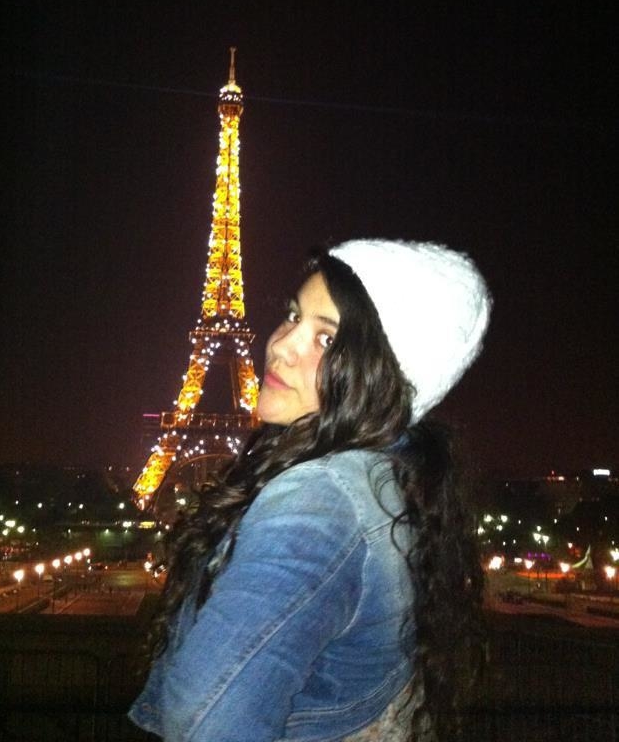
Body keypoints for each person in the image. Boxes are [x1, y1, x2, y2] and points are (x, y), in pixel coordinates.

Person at [129, 239, 492, 741]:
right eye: (293, 316)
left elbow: (204, 720)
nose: (280, 345)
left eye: (326, 339)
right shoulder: (388, 482)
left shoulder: (319, 501)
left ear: (384, 376)